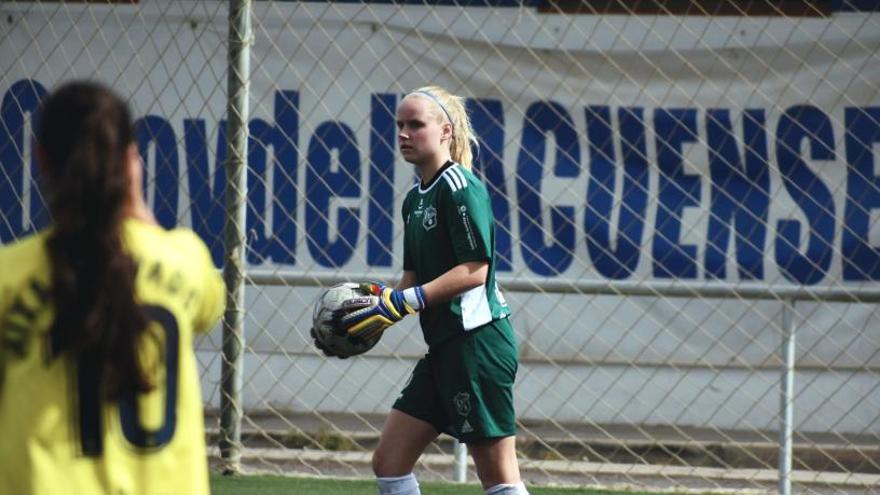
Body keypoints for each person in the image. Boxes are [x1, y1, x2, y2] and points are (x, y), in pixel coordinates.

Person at [0, 81, 225, 494]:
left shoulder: (9, 276)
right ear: (131, 162)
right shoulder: (186, 261)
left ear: (41, 160)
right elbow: (208, 307)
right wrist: (138, 212)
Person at [338, 86, 529, 495]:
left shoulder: (460, 186)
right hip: (445, 348)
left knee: (497, 476)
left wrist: (409, 300)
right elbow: (412, 279)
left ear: (445, 131)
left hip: (477, 342)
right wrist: (377, 311)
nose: (404, 133)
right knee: (389, 462)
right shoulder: (415, 199)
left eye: (416, 125)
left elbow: (475, 270)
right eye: (400, 125)